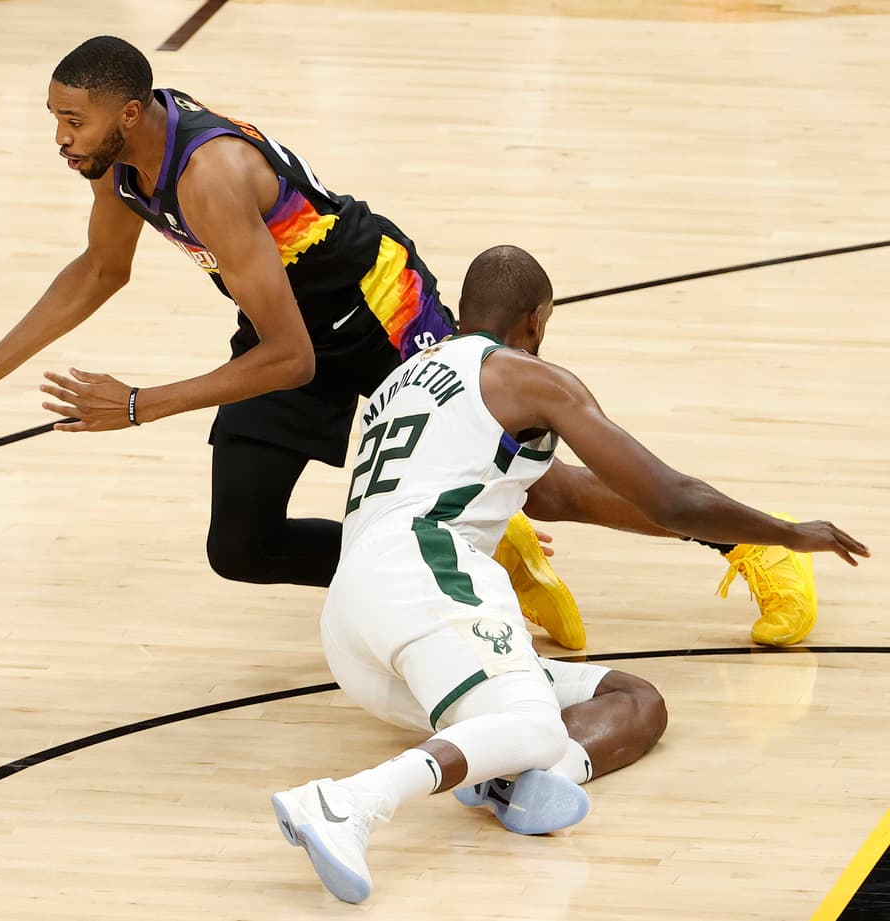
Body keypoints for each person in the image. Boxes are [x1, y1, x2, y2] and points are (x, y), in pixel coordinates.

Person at [0, 34, 817, 648]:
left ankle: (749, 544)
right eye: (54, 119)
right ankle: (482, 564)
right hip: (287, 316)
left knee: (547, 482)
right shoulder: (122, 163)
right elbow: (100, 272)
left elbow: (290, 361)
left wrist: (138, 405)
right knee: (240, 542)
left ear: (129, 113)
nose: (59, 138)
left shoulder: (208, 176)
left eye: (68, 121)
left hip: (373, 312)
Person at [270, 245, 868, 904]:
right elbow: (667, 493)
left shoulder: (404, 381)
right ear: (535, 320)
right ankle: (350, 801)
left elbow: (566, 494)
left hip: (353, 614)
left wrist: (735, 530)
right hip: (426, 570)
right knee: (532, 723)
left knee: (635, 701)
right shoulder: (527, 377)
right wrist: (785, 531)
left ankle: (517, 777)